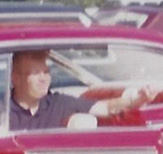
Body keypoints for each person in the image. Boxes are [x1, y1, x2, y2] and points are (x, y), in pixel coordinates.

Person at [9, 49, 155, 131]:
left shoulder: (58, 103)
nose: (44, 79)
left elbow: (106, 108)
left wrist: (135, 99)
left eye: (46, 72)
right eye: (35, 73)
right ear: (15, 78)